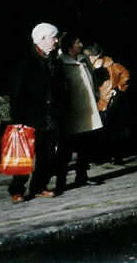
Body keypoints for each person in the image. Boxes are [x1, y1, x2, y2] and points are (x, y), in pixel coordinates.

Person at [8, 23, 66, 202]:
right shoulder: (26, 60)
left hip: (49, 117)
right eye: (53, 37)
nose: (56, 41)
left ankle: (40, 186)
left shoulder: (55, 60)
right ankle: (17, 190)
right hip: (30, 116)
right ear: (41, 39)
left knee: (48, 155)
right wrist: (17, 119)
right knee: (23, 155)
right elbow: (17, 92)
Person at [56, 33, 102, 191]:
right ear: (70, 47)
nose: (81, 44)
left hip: (87, 110)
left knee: (85, 148)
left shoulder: (84, 60)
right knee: (65, 151)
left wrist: (96, 95)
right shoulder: (61, 63)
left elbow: (92, 80)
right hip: (71, 113)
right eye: (78, 42)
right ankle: (60, 181)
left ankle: (82, 177)